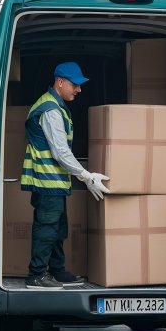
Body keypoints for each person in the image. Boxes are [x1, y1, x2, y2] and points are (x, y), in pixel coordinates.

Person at [21, 61, 110, 289]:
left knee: (58, 228)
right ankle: (37, 274)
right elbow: (61, 152)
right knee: (47, 227)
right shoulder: (50, 109)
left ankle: (57, 270)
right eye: (75, 85)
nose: (79, 90)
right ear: (60, 82)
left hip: (55, 180)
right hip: (46, 179)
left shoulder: (55, 106)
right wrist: (85, 175)